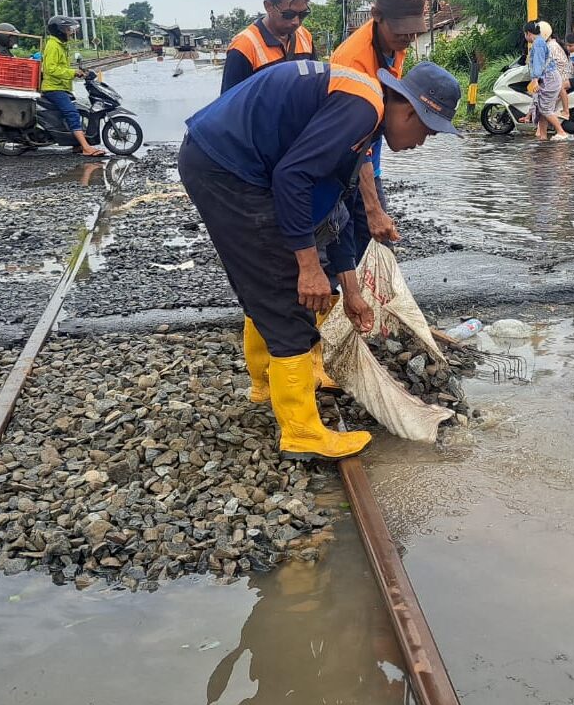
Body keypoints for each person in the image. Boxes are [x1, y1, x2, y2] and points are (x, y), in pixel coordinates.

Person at [177, 59, 461, 460]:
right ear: (410, 111)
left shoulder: (366, 118)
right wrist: (309, 268)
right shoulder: (360, 110)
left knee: (270, 277)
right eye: (427, 131)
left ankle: (265, 383)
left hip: (221, 162)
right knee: (283, 285)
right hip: (227, 168)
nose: (422, 142)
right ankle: (302, 433)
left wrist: (350, 289)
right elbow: (292, 178)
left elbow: (333, 209)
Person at [332, 0, 426, 260]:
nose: (408, 39)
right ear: (376, 16)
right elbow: (352, 143)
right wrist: (373, 208)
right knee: (348, 235)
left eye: (413, 32)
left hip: (369, 155)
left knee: (376, 244)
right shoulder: (352, 62)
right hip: (343, 159)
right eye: (402, 32)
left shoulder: (396, 43)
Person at [221, 0, 316, 94]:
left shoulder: (304, 36)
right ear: (268, 6)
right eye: (288, 15)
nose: (296, 22)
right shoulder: (243, 47)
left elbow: (315, 84)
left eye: (303, 14)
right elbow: (230, 105)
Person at [41, 15, 105, 157]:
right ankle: (86, 148)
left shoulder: (60, 45)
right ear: (59, 30)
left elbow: (61, 67)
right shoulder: (53, 46)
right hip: (53, 88)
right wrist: (72, 73)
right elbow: (50, 69)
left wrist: (80, 72)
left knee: (78, 110)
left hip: (61, 87)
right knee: (72, 114)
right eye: (67, 29)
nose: (70, 32)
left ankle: (75, 144)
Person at [525, 21, 568, 141]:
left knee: (545, 108)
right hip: (549, 78)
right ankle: (543, 137)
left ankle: (561, 132)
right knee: (540, 109)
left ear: (528, 33)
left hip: (549, 79)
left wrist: (535, 80)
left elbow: (538, 64)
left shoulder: (538, 44)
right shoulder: (540, 42)